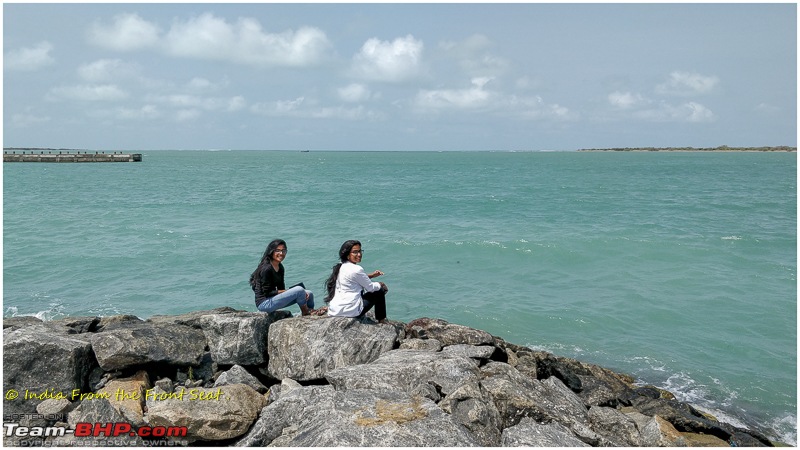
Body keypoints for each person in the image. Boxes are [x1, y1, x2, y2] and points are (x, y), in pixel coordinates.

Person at [250, 239, 323, 315]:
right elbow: (267, 293)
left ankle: (311, 311)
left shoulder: (280, 267)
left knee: (309, 293)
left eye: (283, 251)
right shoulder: (266, 268)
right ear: (271, 251)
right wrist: (293, 291)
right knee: (299, 290)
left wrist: (291, 292)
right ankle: (306, 312)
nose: (281, 253)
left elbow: (281, 289)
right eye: (277, 250)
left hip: (273, 300)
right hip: (264, 304)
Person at [324, 240, 389, 322]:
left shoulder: (341, 266)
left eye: (360, 251)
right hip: (350, 311)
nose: (359, 254)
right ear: (348, 254)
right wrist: (380, 284)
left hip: (335, 310)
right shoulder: (357, 269)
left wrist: (371, 275)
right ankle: (381, 320)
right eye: (355, 252)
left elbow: (352, 279)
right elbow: (370, 288)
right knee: (380, 290)